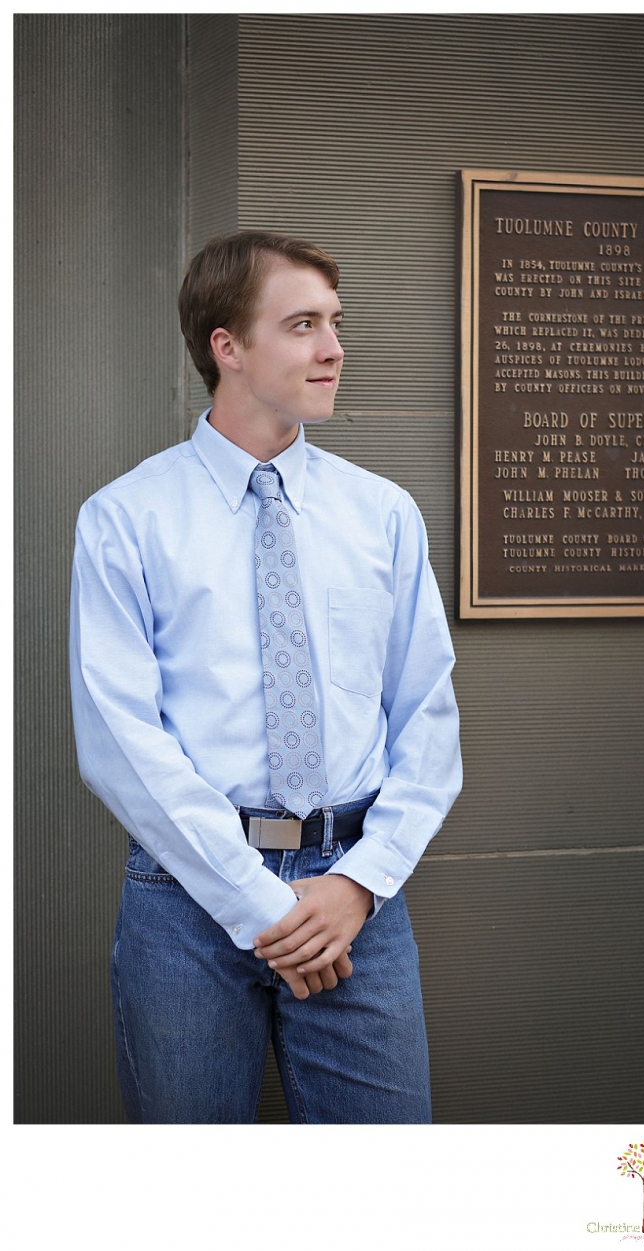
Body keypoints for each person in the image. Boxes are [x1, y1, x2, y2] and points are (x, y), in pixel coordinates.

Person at [69, 230, 462, 1124]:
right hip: (188, 900)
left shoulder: (383, 515)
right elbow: (119, 739)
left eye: (335, 323)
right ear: (228, 346)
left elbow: (428, 721)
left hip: (357, 893)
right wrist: (258, 904)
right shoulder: (126, 521)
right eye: (302, 325)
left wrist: (359, 882)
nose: (334, 348)